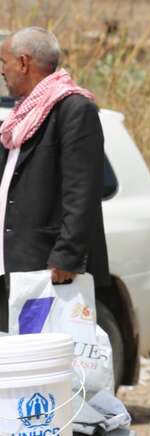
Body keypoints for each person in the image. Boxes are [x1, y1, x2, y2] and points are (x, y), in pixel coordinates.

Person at [0, 27, 109, 331]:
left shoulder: (74, 110)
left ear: (23, 62)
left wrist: (66, 256)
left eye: (3, 62)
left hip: (47, 268)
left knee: (52, 365)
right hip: (14, 264)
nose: (2, 72)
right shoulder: (21, 116)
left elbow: (82, 191)